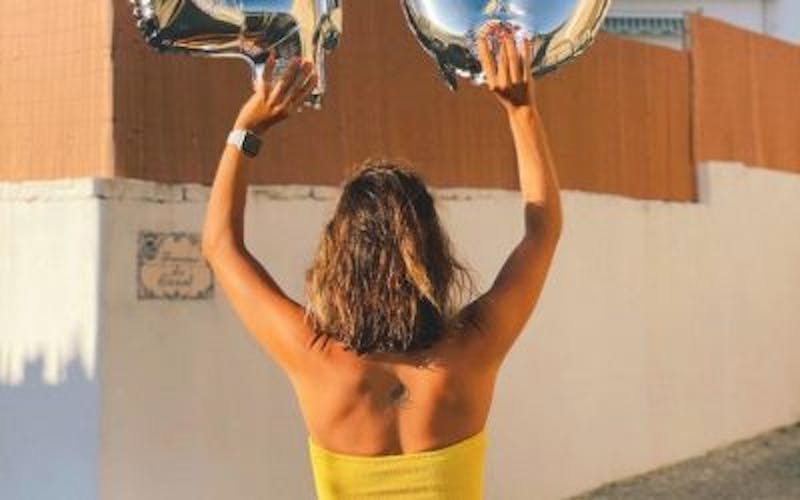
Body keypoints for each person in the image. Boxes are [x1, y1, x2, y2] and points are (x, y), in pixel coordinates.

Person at [201, 29, 563, 500]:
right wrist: (521, 111)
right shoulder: (471, 351)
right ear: (432, 251)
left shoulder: (315, 360)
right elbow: (542, 233)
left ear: (339, 255)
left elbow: (220, 245)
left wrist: (247, 130)